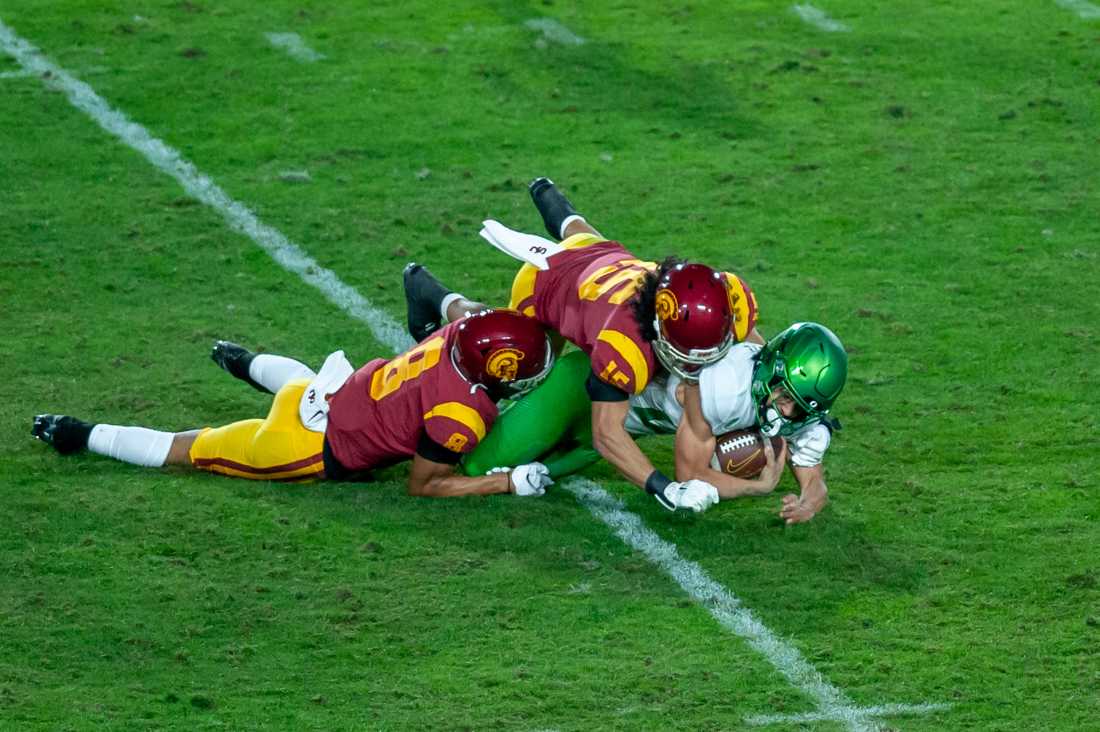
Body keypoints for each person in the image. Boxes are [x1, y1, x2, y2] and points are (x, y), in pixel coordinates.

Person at [404, 177, 762, 513]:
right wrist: (663, 489)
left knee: (585, 240)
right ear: (657, 328)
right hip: (545, 284)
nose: (700, 366)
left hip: (601, 258)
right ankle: (436, 296)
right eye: (687, 355)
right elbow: (606, 434)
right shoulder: (624, 345)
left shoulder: (717, 298)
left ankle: (551, 199)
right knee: (503, 353)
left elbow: (757, 350)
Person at [31, 309, 560, 498]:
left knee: (297, 379)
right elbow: (424, 485)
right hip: (304, 445)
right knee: (190, 448)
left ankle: (243, 362)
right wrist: (505, 481)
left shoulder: (454, 336)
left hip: (325, 390)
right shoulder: (462, 414)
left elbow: (470, 316)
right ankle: (79, 432)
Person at [460, 322, 848, 524]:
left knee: (538, 477)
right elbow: (688, 474)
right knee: (473, 462)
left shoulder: (801, 415)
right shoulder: (724, 384)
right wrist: (758, 488)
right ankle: (451, 338)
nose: (785, 413)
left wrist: (811, 499)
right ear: (771, 368)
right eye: (783, 397)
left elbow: (811, 472)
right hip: (584, 391)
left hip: (604, 440)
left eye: (798, 409)